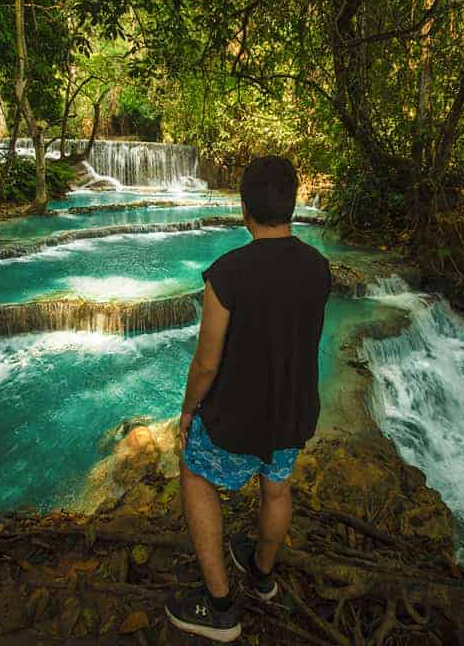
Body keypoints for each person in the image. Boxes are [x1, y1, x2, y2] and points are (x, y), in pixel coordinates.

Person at [164, 156, 332, 642]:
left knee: (195, 473)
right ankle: (262, 576)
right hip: (292, 411)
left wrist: (189, 408)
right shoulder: (319, 268)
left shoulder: (228, 273)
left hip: (238, 416)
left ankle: (219, 610)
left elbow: (207, 362)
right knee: (276, 487)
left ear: (244, 209)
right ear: (293, 205)